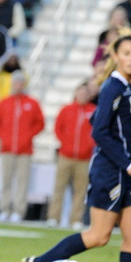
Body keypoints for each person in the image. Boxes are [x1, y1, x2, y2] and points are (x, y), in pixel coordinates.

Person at [22, 29, 131, 262]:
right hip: (110, 172)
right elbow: (99, 131)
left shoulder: (126, 87)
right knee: (99, 236)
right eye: (126, 53)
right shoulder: (112, 87)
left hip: (124, 172)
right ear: (114, 56)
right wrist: (126, 163)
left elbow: (115, 128)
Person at [0, 71, 44, 223]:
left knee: (22, 182)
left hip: (25, 150)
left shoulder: (32, 103)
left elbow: (40, 123)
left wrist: (27, 135)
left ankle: (18, 211)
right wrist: (4, 136)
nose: (18, 85)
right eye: (15, 82)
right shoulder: (4, 102)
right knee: (6, 180)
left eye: (20, 82)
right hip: (7, 149)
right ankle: (4, 209)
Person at [47, 83, 95, 229]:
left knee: (80, 190)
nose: (82, 96)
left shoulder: (93, 111)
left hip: (84, 158)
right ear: (75, 93)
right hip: (65, 155)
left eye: (84, 93)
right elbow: (58, 128)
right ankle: (54, 217)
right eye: (80, 92)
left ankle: (76, 219)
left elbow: (96, 131)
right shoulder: (66, 110)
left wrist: (88, 146)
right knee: (59, 187)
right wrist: (65, 143)